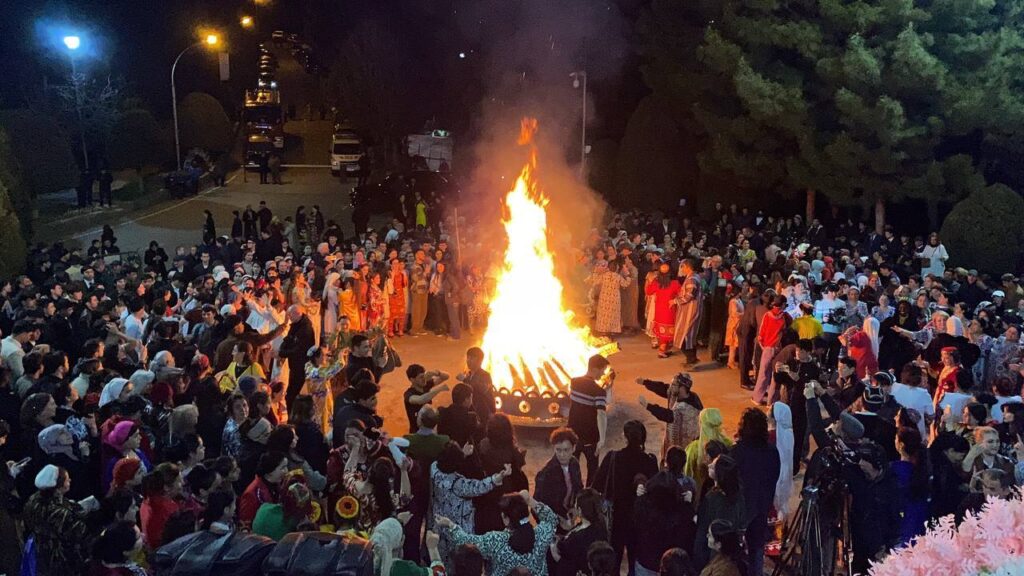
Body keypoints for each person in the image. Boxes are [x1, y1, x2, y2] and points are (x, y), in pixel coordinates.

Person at [436, 490, 557, 576]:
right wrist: (530, 500)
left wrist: (450, 525)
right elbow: (551, 519)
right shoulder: (541, 535)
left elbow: (467, 542)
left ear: (506, 518)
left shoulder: (497, 540)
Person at [592, 420, 658, 572]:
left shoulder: (613, 457)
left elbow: (597, 485)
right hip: (639, 519)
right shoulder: (649, 461)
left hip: (616, 517)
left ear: (625, 437)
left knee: (613, 559)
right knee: (635, 561)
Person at [728, 409, 779, 576]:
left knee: (734, 549)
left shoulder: (737, 451)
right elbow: (774, 476)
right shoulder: (771, 451)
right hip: (762, 505)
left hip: (741, 507)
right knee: (756, 549)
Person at [24, 465, 92, 576]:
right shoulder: (60, 513)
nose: (70, 480)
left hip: (41, 553)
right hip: (61, 560)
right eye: (67, 479)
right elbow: (81, 532)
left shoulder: (33, 501)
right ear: (58, 486)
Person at [632, 471, 696, 576]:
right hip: (670, 566)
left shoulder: (642, 507)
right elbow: (688, 534)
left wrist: (640, 483)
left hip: (645, 561)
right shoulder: (681, 511)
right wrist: (688, 503)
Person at [692, 455, 745, 570]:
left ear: (720, 475)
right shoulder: (738, 495)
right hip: (730, 550)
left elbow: (702, 529)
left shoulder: (712, 498)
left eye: (713, 466)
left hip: (712, 550)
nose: (709, 465)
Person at [568, 354, 612, 483]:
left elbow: (579, 403)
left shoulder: (574, 382)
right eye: (602, 371)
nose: (603, 374)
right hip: (590, 437)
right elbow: (601, 414)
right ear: (594, 369)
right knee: (593, 469)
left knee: (572, 467)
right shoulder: (598, 391)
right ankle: (589, 492)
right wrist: (602, 439)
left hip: (572, 434)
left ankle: (574, 490)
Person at [637, 372, 703, 459]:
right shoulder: (681, 394)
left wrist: (647, 405)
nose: (671, 387)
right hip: (673, 440)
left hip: (684, 445)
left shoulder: (687, 408)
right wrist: (645, 382)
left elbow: (667, 415)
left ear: (682, 388)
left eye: (674, 385)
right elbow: (663, 389)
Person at [550, 488, 608, 576]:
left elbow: (570, 566)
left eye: (575, 504)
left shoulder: (578, 538)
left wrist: (554, 552)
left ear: (580, 510)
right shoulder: (600, 526)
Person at [533, 427, 584, 520]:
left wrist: (575, 507)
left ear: (574, 448)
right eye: (558, 450)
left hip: (567, 513)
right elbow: (538, 505)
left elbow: (579, 487)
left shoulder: (574, 463)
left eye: (566, 450)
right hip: (552, 518)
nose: (562, 455)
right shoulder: (547, 472)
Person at [279, 305, 315, 410]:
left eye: (290, 315)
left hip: (301, 365)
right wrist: (282, 350)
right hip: (295, 365)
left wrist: (283, 353)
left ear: (297, 314)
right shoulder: (296, 324)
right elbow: (288, 339)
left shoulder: (305, 329)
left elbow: (299, 350)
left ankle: (294, 414)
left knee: (292, 394)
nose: (288, 317)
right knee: (291, 394)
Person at [673, 258, 704, 367]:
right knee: (689, 335)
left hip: (689, 312)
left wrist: (675, 301)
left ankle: (691, 360)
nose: (681, 269)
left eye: (682, 267)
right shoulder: (694, 277)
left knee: (685, 335)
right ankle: (692, 359)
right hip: (689, 311)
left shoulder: (692, 279)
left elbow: (688, 296)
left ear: (687, 267)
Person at [403, 364, 451, 433]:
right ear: (412, 380)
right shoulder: (409, 394)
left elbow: (446, 376)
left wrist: (435, 373)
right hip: (416, 432)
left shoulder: (426, 384)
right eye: (421, 377)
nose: (424, 379)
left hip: (430, 430)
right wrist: (439, 389)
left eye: (424, 376)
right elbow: (421, 400)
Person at [458, 347, 495, 428]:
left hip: (483, 415)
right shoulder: (469, 375)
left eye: (472, 358)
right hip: (472, 413)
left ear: (480, 361)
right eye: (468, 358)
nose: (468, 360)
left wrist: (465, 380)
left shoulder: (485, 375)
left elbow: (482, 389)